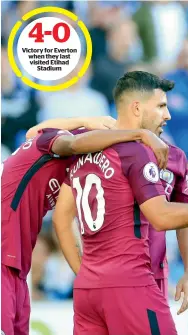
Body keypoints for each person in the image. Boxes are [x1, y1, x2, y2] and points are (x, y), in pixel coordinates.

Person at [59, 71, 188, 335]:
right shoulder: (136, 152)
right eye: (162, 106)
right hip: (133, 280)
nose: (168, 115)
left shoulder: (86, 149)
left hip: (98, 286)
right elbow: (163, 216)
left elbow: (62, 218)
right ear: (137, 107)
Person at [1, 116, 169, 335]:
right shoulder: (60, 141)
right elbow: (56, 139)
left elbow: (33, 132)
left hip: (16, 265)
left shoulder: (72, 167)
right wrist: (136, 132)